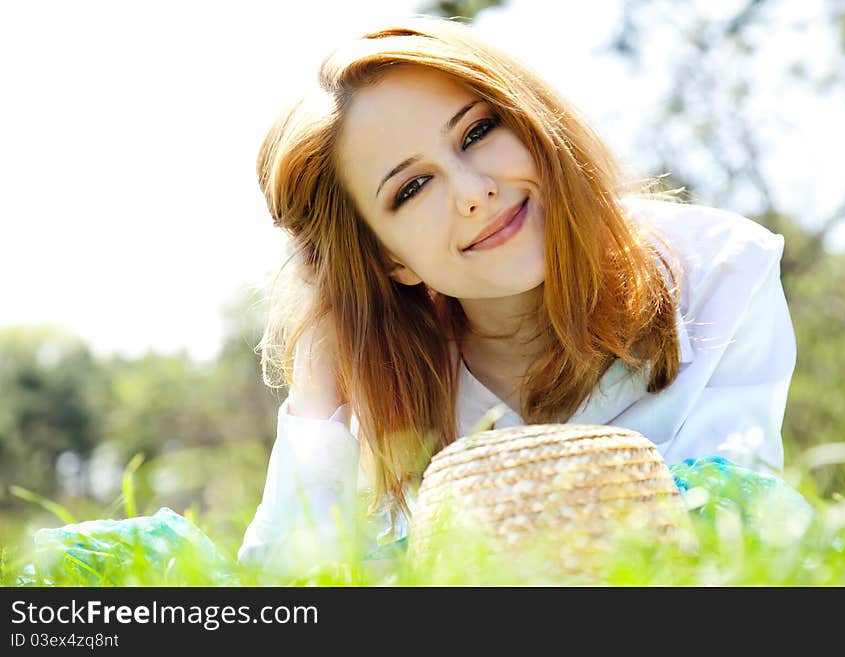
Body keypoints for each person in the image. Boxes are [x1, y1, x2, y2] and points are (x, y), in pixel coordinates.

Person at [237, 17, 797, 578]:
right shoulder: (391, 392)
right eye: (411, 188)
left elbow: (734, 545)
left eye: (477, 133)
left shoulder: (719, 270)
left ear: (529, 122)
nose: (474, 190)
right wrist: (317, 386)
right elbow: (287, 588)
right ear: (388, 259)